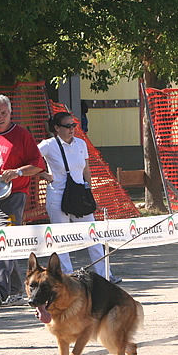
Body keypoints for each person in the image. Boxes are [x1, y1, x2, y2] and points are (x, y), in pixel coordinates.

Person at [38, 112, 121, 283]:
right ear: (56, 128)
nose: (71, 129)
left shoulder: (81, 144)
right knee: (61, 238)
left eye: (73, 125)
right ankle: (66, 277)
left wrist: (89, 191)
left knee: (92, 235)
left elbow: (86, 170)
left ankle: (105, 275)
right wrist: (44, 174)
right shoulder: (48, 145)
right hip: (58, 195)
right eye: (67, 126)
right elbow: (29, 158)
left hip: (79, 196)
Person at [0, 94, 45, 308]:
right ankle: (17, 288)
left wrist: (17, 172)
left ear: (10, 113)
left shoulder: (21, 135)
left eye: (3, 114)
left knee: (3, 238)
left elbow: (38, 165)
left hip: (14, 196)